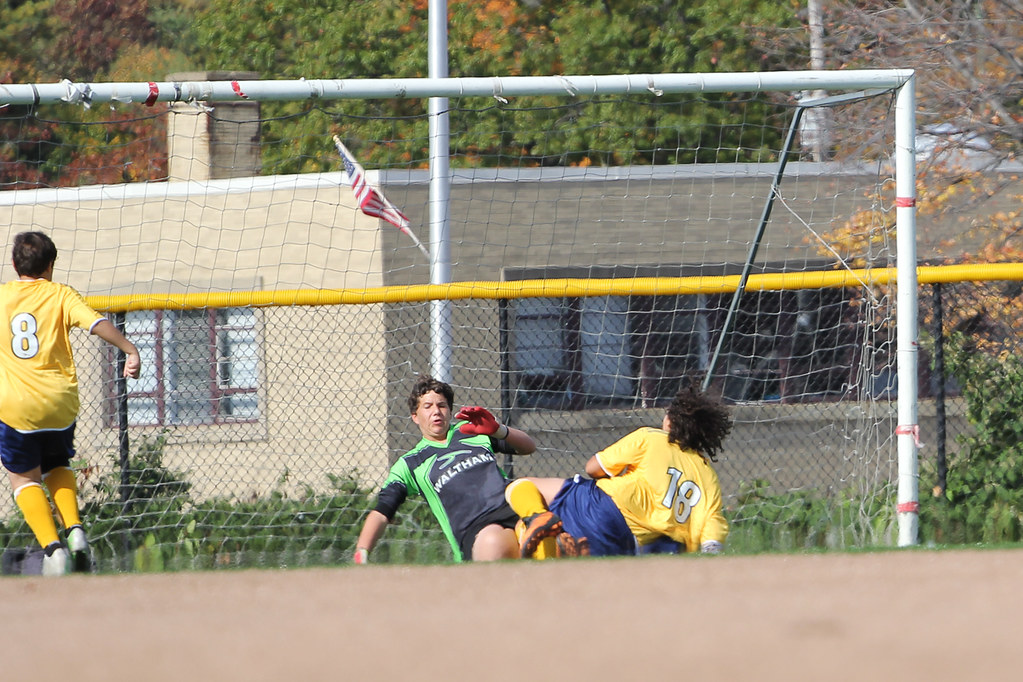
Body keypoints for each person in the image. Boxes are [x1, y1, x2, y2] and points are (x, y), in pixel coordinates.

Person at [0, 231, 142, 576]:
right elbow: (97, 323)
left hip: (16, 407)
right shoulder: (61, 294)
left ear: (16, 265)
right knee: (56, 463)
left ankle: (53, 550)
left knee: (23, 478)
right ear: (50, 265)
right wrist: (130, 350)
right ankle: (75, 531)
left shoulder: (2, 297)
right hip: (60, 402)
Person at [508, 380, 731, 558]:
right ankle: (561, 549)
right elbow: (712, 522)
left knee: (522, 487)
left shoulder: (651, 438)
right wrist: (710, 549)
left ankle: (538, 521)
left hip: (606, 508)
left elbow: (593, 467)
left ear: (671, 421)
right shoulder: (707, 475)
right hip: (640, 545)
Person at [353, 374, 559, 563]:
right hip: (475, 528)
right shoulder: (410, 463)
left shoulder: (471, 432)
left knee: (539, 491)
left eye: (442, 405)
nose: (436, 411)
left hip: (510, 505)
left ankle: (541, 536)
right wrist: (362, 552)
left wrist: (499, 430)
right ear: (415, 416)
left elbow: (528, 447)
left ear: (450, 411)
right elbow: (382, 512)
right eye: (427, 406)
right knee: (494, 542)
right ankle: (528, 543)